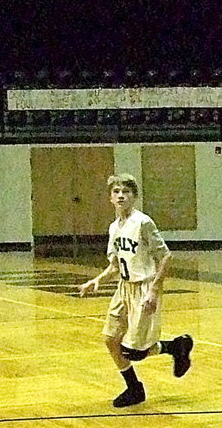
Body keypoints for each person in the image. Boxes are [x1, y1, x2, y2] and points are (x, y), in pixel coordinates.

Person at [77, 174, 193, 409]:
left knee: (135, 352)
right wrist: (96, 280)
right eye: (116, 191)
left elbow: (166, 256)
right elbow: (115, 265)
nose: (121, 195)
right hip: (124, 289)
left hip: (144, 288)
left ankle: (175, 347)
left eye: (126, 192)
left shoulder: (143, 223)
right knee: (111, 340)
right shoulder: (114, 227)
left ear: (134, 196)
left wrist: (154, 290)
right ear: (110, 197)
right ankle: (134, 388)